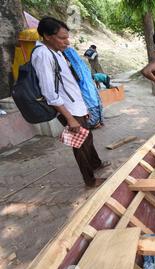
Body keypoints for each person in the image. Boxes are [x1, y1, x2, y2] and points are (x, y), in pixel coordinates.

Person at [33, 17, 110, 187]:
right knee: (80, 144)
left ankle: (95, 163)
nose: (66, 41)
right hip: (68, 109)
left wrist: (83, 107)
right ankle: (89, 180)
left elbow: (69, 82)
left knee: (87, 137)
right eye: (62, 38)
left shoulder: (56, 52)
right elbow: (49, 93)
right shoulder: (43, 55)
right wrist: (70, 118)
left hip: (76, 106)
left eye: (67, 37)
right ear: (46, 36)